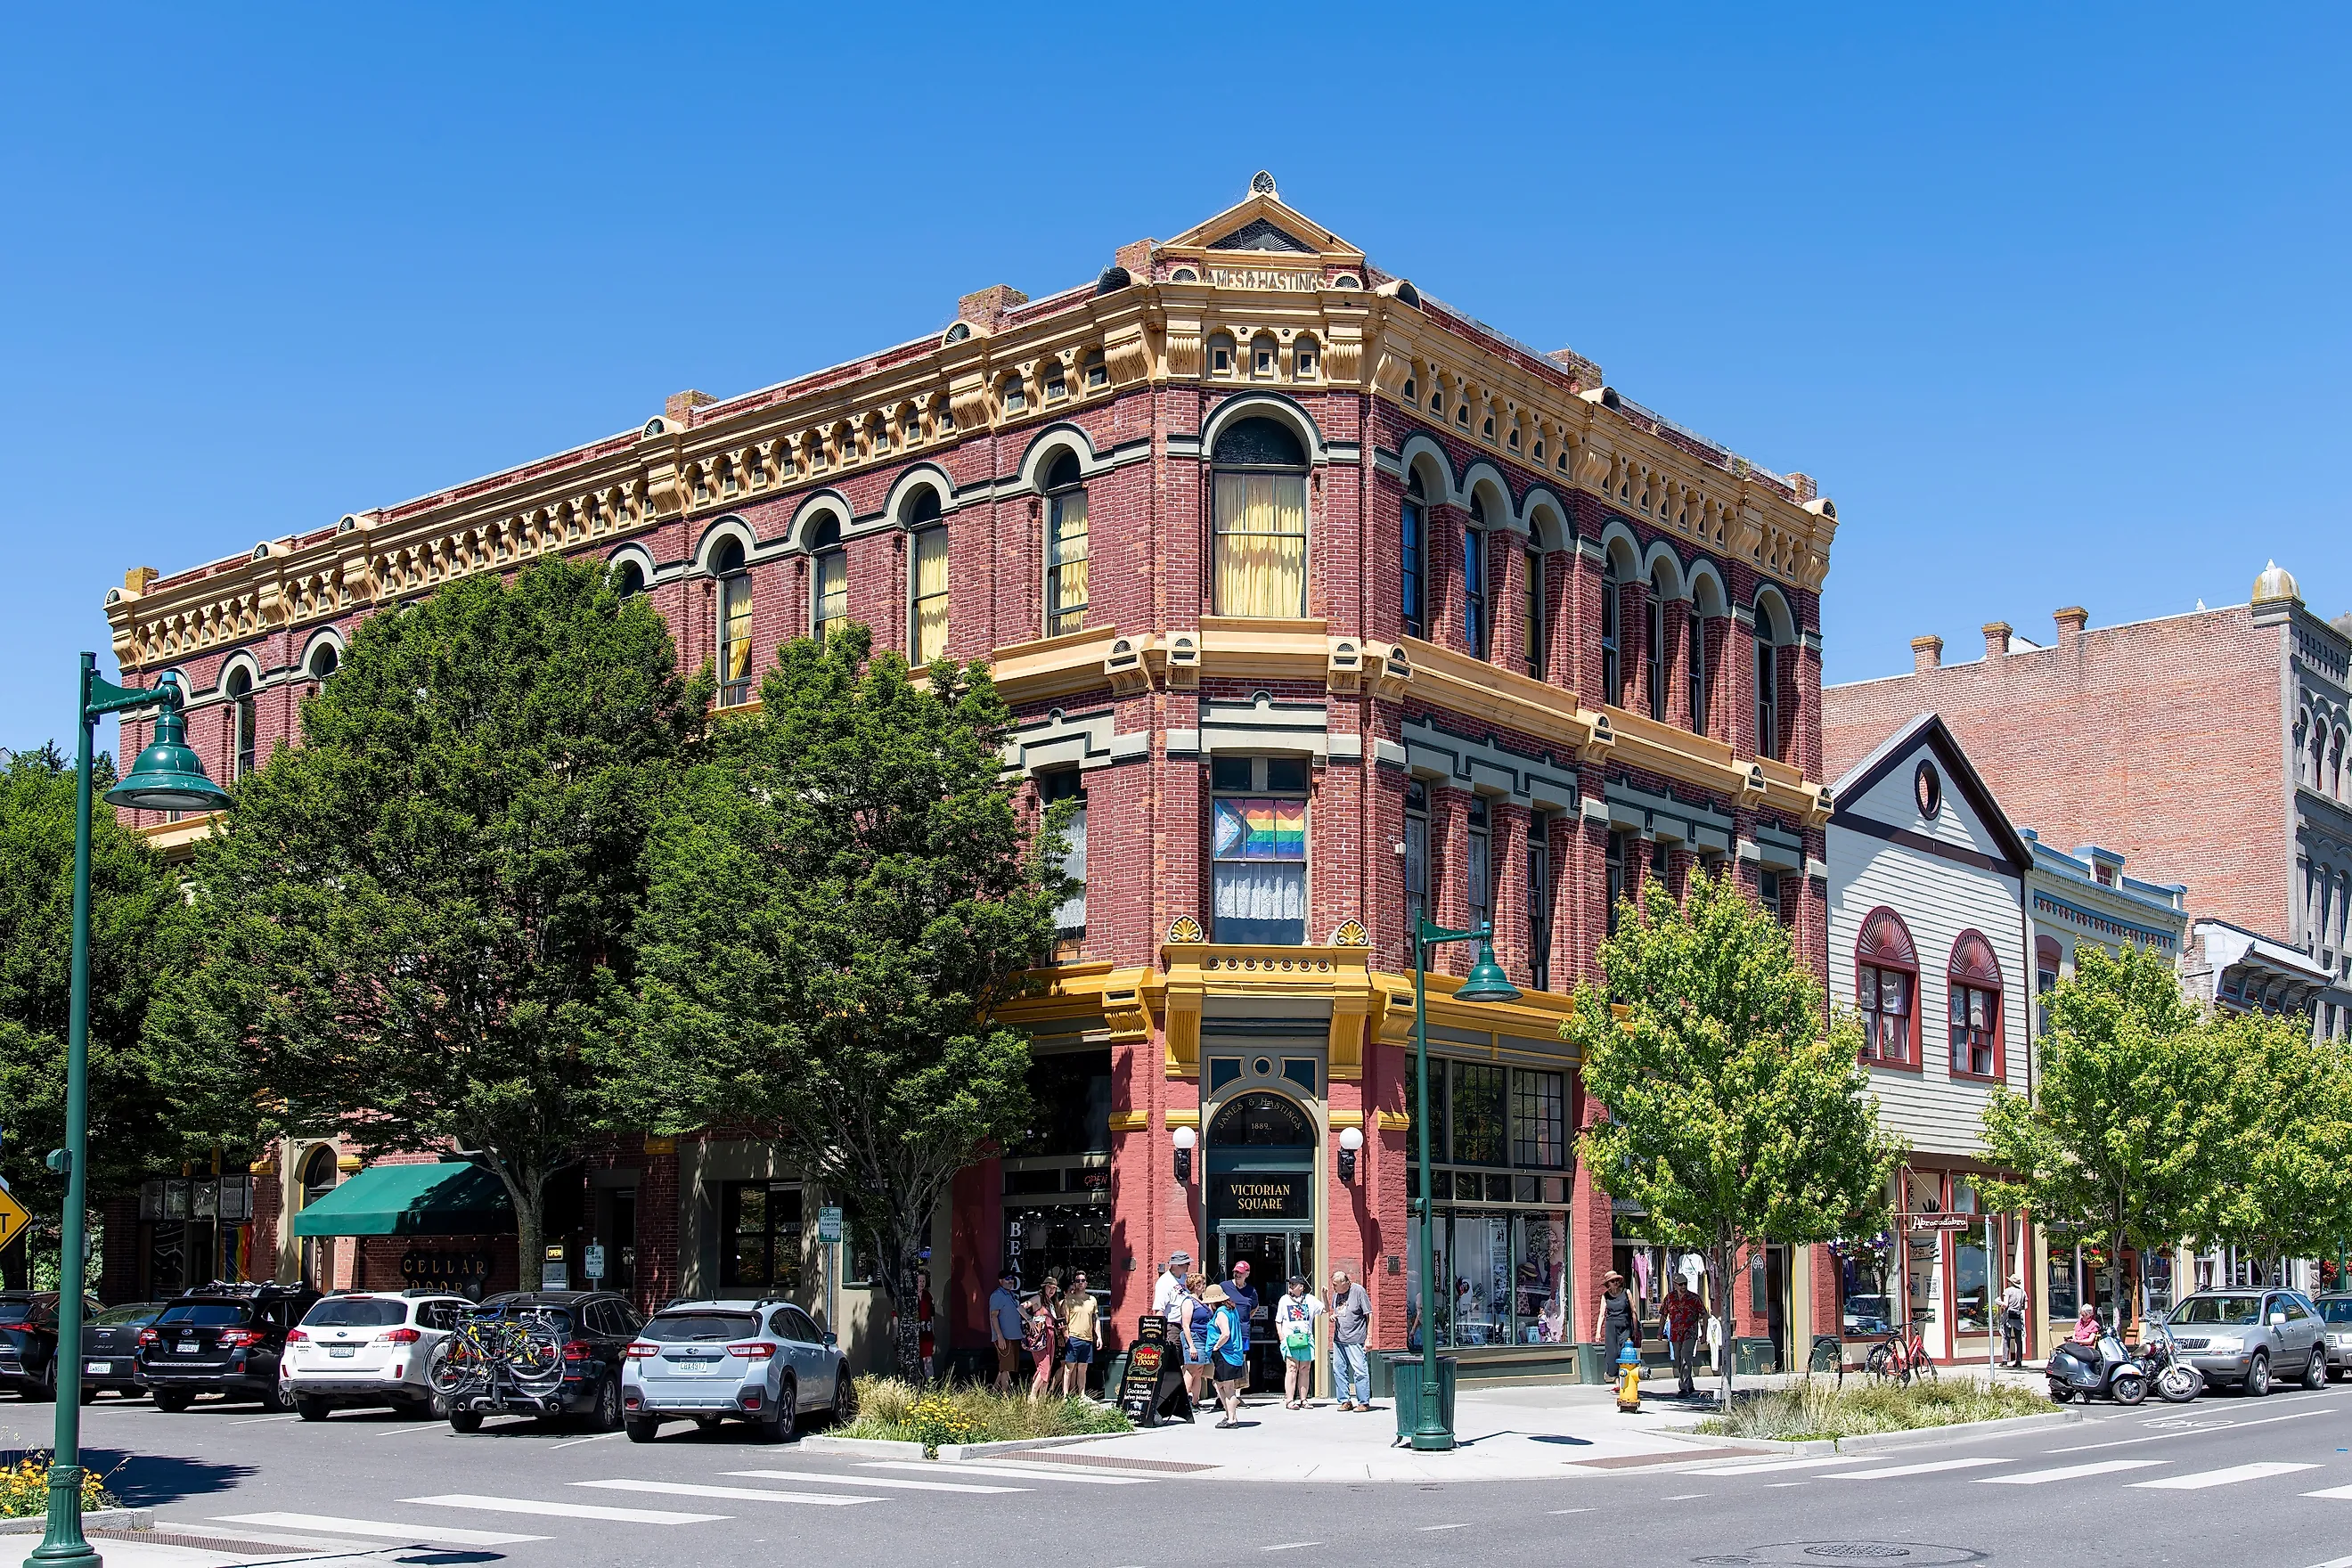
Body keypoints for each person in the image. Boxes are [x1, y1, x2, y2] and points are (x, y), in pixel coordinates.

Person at [1275, 1275, 1323, 1409]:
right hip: (1290, 1339)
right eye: (1290, 1284)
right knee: (1291, 1368)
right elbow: (1278, 1320)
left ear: (1301, 1287)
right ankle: (1289, 1400)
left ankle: (1304, 1399)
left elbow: (1325, 1309)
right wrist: (1281, 1337)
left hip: (1306, 1339)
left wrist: (1324, 1295)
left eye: (1293, 1284)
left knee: (1304, 1369)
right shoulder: (1284, 1300)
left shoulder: (1310, 1299)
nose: (1290, 1286)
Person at [1327, 1268, 1371, 1411]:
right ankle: (1345, 1400)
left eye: (1336, 1285)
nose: (1333, 1287)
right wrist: (1333, 1316)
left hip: (1356, 1338)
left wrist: (1369, 1338)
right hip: (1339, 1338)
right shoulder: (1337, 1294)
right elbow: (1336, 1311)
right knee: (1338, 1369)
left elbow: (1369, 1314)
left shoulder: (1358, 1291)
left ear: (1346, 1283)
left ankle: (1363, 1402)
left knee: (1360, 1370)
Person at [1203, 1283, 1245, 1426]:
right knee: (1219, 1384)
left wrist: (1216, 1346)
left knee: (1228, 1387)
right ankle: (1228, 1415)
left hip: (1225, 1354)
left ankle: (1232, 1419)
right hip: (1232, 1354)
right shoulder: (1231, 1309)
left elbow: (1226, 1333)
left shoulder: (1221, 1312)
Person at [1660, 1278, 1704, 1396]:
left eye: (1685, 1284)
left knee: (1686, 1357)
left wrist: (1704, 1333)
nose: (1683, 1286)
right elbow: (1663, 1315)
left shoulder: (1694, 1298)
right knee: (1678, 1360)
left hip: (1690, 1332)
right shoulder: (1669, 1298)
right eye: (1680, 1284)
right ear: (1675, 1285)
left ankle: (1684, 1388)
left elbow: (1705, 1315)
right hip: (1675, 1333)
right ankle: (1689, 1384)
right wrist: (1660, 1331)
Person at [1061, 1270, 1099, 1399]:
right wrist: (1066, 1336)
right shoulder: (1069, 1300)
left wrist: (1098, 1336)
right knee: (1069, 1368)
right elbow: (1064, 1321)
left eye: (1083, 1281)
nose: (1080, 1283)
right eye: (1078, 1281)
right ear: (1075, 1283)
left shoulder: (1092, 1300)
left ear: (1086, 1283)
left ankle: (1081, 1395)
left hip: (1087, 1339)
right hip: (1073, 1337)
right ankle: (1066, 1396)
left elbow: (1096, 1319)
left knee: (1083, 1369)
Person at [1595, 1270, 1640, 1378]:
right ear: (1608, 1284)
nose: (1615, 1283)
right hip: (1611, 1328)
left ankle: (1626, 1380)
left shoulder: (1626, 1292)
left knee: (1625, 1352)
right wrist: (1598, 1332)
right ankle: (1617, 1381)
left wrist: (1635, 1329)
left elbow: (1633, 1311)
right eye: (1612, 1281)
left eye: (1616, 1280)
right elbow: (1602, 1314)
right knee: (1612, 1354)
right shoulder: (1605, 1296)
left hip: (1625, 1326)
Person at [1224, 1259, 1259, 1396]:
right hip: (1227, 1331)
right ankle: (1225, 1393)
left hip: (1243, 1332)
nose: (1237, 1275)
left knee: (1241, 1361)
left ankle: (1237, 1395)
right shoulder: (1224, 1286)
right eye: (1236, 1272)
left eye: (1240, 1273)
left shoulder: (1251, 1291)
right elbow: (1213, 1305)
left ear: (1247, 1274)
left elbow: (1255, 1307)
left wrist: (1245, 1319)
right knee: (1226, 1360)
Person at [1179, 1270, 1213, 1403]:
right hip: (1194, 1337)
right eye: (1202, 1283)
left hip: (1204, 1338)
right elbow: (1186, 1325)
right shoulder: (1188, 1301)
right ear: (1195, 1285)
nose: (1204, 1286)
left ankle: (1195, 1401)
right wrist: (1191, 1345)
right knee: (1191, 1369)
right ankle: (1184, 1401)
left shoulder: (1202, 1301)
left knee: (1199, 1371)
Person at [989, 1267, 1024, 1394]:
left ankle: (993, 1390)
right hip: (1004, 1337)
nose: (1010, 1281)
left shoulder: (1012, 1296)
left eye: (1012, 1279)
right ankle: (1005, 1395)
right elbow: (994, 1316)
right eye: (1007, 1279)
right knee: (1006, 1367)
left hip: (1014, 1337)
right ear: (1000, 1281)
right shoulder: (997, 1295)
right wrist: (1000, 1336)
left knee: (1006, 1367)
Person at [1026, 1276, 1063, 1398]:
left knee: (1047, 1368)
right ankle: (1032, 1396)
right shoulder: (1038, 1298)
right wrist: (1030, 1320)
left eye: (1054, 1288)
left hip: (1051, 1337)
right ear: (1044, 1287)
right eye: (1049, 1287)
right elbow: (1021, 1307)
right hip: (1040, 1337)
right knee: (1044, 1367)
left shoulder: (1051, 1302)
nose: (1052, 1290)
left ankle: (1041, 1399)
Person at [1153, 1250, 1193, 1318]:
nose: (1188, 1265)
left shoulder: (1185, 1277)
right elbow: (1159, 1308)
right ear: (1176, 1265)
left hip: (1186, 1321)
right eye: (1187, 1263)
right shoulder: (1164, 1282)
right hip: (1172, 1323)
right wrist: (1161, 1326)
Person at [2000, 1276, 2029, 1368]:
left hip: (2008, 1315)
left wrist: (1999, 1303)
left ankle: (2005, 1361)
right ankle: (2019, 1360)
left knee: (2006, 1338)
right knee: (2018, 1339)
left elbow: (2005, 1304)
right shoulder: (2022, 1292)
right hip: (2017, 1316)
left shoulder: (2008, 1291)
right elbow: (2025, 1307)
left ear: (2011, 1282)